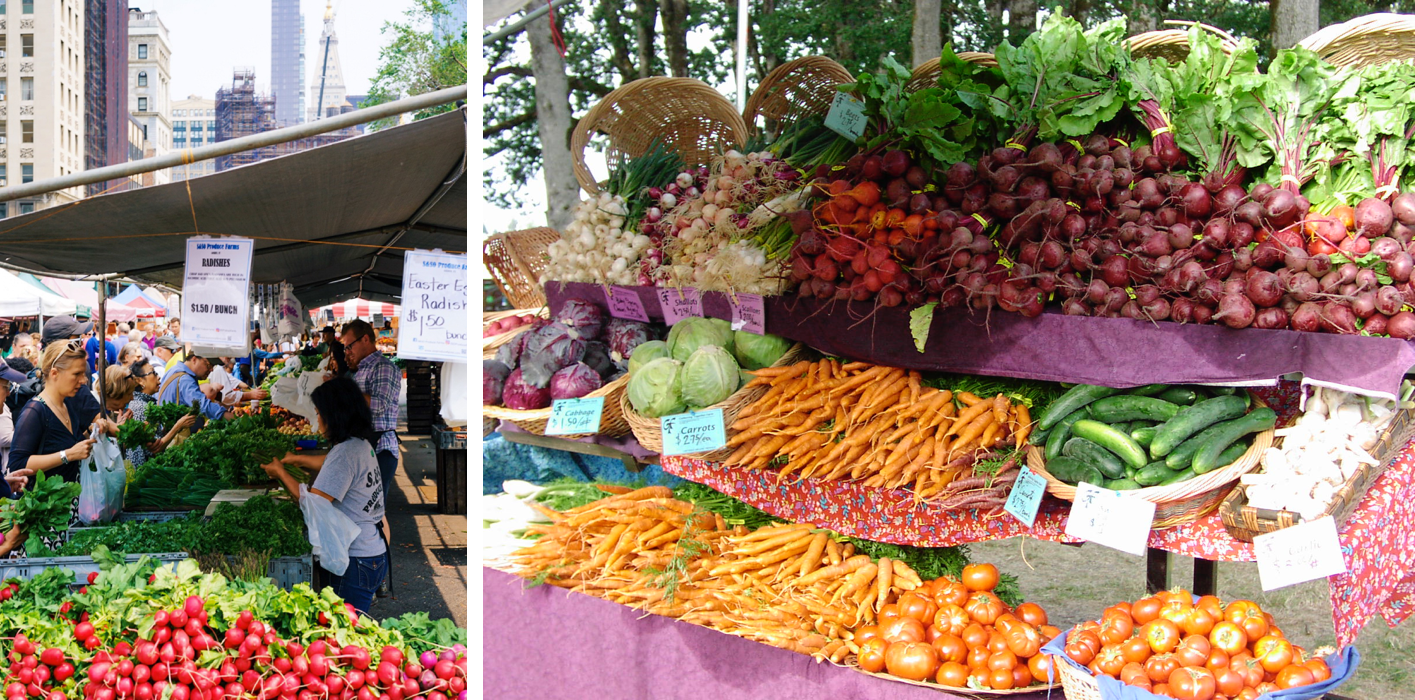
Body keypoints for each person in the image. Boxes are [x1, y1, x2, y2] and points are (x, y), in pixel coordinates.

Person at [262, 377, 387, 614]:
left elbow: (313, 504)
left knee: (348, 632)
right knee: (357, 628)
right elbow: (331, 464)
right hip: (374, 552)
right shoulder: (360, 444)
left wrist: (280, 472)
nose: (317, 420)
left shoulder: (345, 453)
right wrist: (296, 458)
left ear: (335, 415)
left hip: (355, 560)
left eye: (319, 413)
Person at [8, 342, 118, 548]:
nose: (83, 380)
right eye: (77, 374)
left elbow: (69, 444)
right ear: (55, 373)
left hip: (69, 513)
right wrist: (68, 454)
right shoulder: (35, 412)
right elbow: (18, 464)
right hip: (44, 521)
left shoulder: (69, 404)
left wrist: (94, 430)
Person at [341, 320, 401, 503]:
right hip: (363, 446)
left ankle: (379, 534)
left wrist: (346, 390)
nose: (347, 352)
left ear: (365, 339)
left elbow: (379, 406)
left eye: (349, 346)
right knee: (361, 506)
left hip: (380, 449)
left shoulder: (383, 367)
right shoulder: (360, 369)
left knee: (373, 510)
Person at [123, 358, 197, 467]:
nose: (158, 376)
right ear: (140, 381)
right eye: (153, 373)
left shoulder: (145, 403)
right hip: (143, 470)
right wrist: (178, 426)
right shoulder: (140, 407)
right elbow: (154, 448)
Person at [156, 353, 230, 421]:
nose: (211, 370)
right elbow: (203, 406)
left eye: (213, 366)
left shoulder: (174, 370)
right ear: (194, 359)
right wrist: (230, 417)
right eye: (208, 365)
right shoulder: (185, 379)